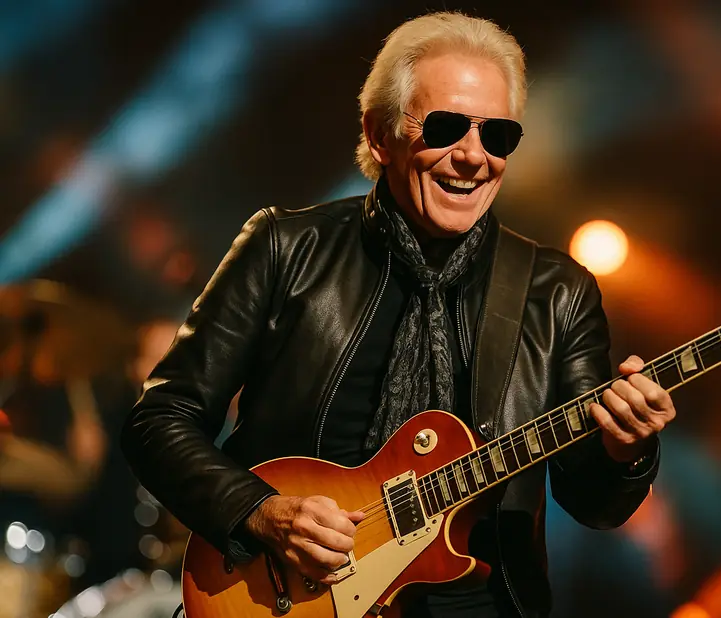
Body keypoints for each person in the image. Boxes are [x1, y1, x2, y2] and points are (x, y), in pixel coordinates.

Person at [120, 11, 676, 618]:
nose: (473, 156)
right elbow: (159, 419)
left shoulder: (557, 292)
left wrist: (626, 451)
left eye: (498, 137)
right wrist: (262, 512)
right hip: (285, 595)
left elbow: (594, 503)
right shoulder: (286, 247)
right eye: (445, 127)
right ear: (380, 134)